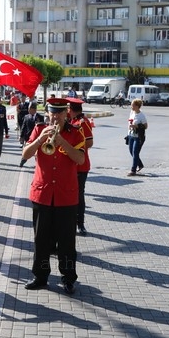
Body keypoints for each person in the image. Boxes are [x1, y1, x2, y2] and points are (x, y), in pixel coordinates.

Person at [22, 97, 85, 295]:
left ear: (67, 113)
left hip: (66, 195)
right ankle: (40, 276)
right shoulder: (39, 128)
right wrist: (41, 139)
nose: (55, 117)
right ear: (48, 112)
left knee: (67, 241)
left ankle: (68, 277)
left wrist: (62, 142)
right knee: (41, 240)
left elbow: (80, 159)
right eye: (52, 112)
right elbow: (25, 154)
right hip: (43, 193)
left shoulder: (75, 133)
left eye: (59, 113)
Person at [67, 98, 94, 236]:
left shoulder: (82, 123)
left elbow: (89, 143)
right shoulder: (70, 121)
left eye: (67, 109)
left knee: (79, 195)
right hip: (69, 165)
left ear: (71, 109)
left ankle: (80, 223)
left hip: (80, 165)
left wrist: (74, 148)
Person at [19, 102, 45, 167]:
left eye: (30, 109)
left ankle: (38, 165)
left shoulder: (40, 117)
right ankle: (23, 160)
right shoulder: (26, 117)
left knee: (37, 153)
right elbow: (23, 127)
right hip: (28, 138)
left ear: (34, 109)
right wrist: (21, 136)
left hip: (37, 138)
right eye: (28, 108)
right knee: (27, 151)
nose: (28, 110)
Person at [127, 98, 148, 176]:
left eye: (132, 105)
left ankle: (133, 170)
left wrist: (136, 126)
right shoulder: (132, 113)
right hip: (131, 135)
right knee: (131, 152)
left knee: (135, 152)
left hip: (138, 137)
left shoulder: (141, 115)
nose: (131, 106)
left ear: (137, 106)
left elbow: (146, 126)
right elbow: (130, 122)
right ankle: (140, 164)